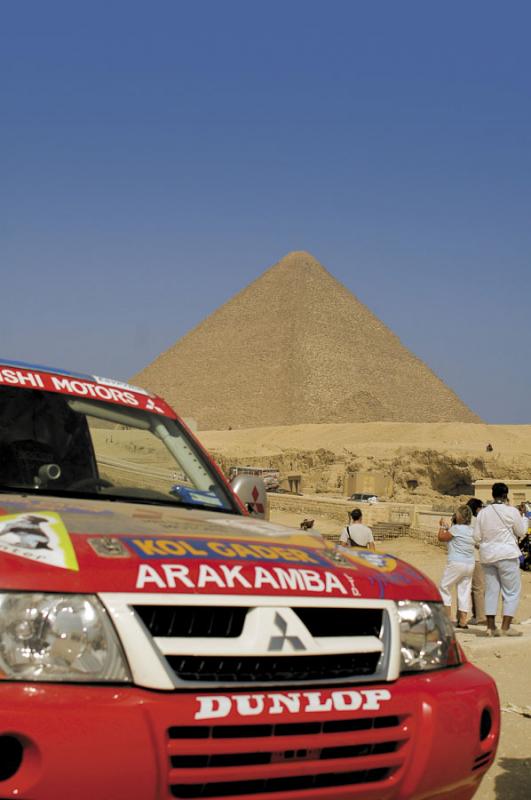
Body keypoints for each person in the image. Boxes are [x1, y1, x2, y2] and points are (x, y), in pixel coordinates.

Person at [474, 482, 528, 636]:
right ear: (506, 495)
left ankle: (491, 628)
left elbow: (476, 536)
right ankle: (505, 627)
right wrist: (524, 518)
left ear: (492, 495)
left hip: (487, 555)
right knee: (511, 591)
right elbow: (521, 531)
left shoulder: (483, 513)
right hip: (506, 554)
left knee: (491, 590)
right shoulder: (511, 511)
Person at [438, 505, 475, 628]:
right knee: (464, 590)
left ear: (459, 516)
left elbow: (441, 537)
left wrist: (442, 526)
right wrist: (449, 528)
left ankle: (448, 619)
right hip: (469, 564)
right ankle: (463, 620)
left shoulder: (456, 529)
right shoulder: (471, 530)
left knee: (444, 587)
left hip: (456, 563)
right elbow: (455, 536)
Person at [466, 497, 486, 625]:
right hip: (477, 557)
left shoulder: (464, 521)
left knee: (471, 588)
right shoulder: (476, 521)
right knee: (479, 588)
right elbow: (477, 539)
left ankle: (474, 615)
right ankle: (480, 617)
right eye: (480, 507)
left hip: (465, 558)